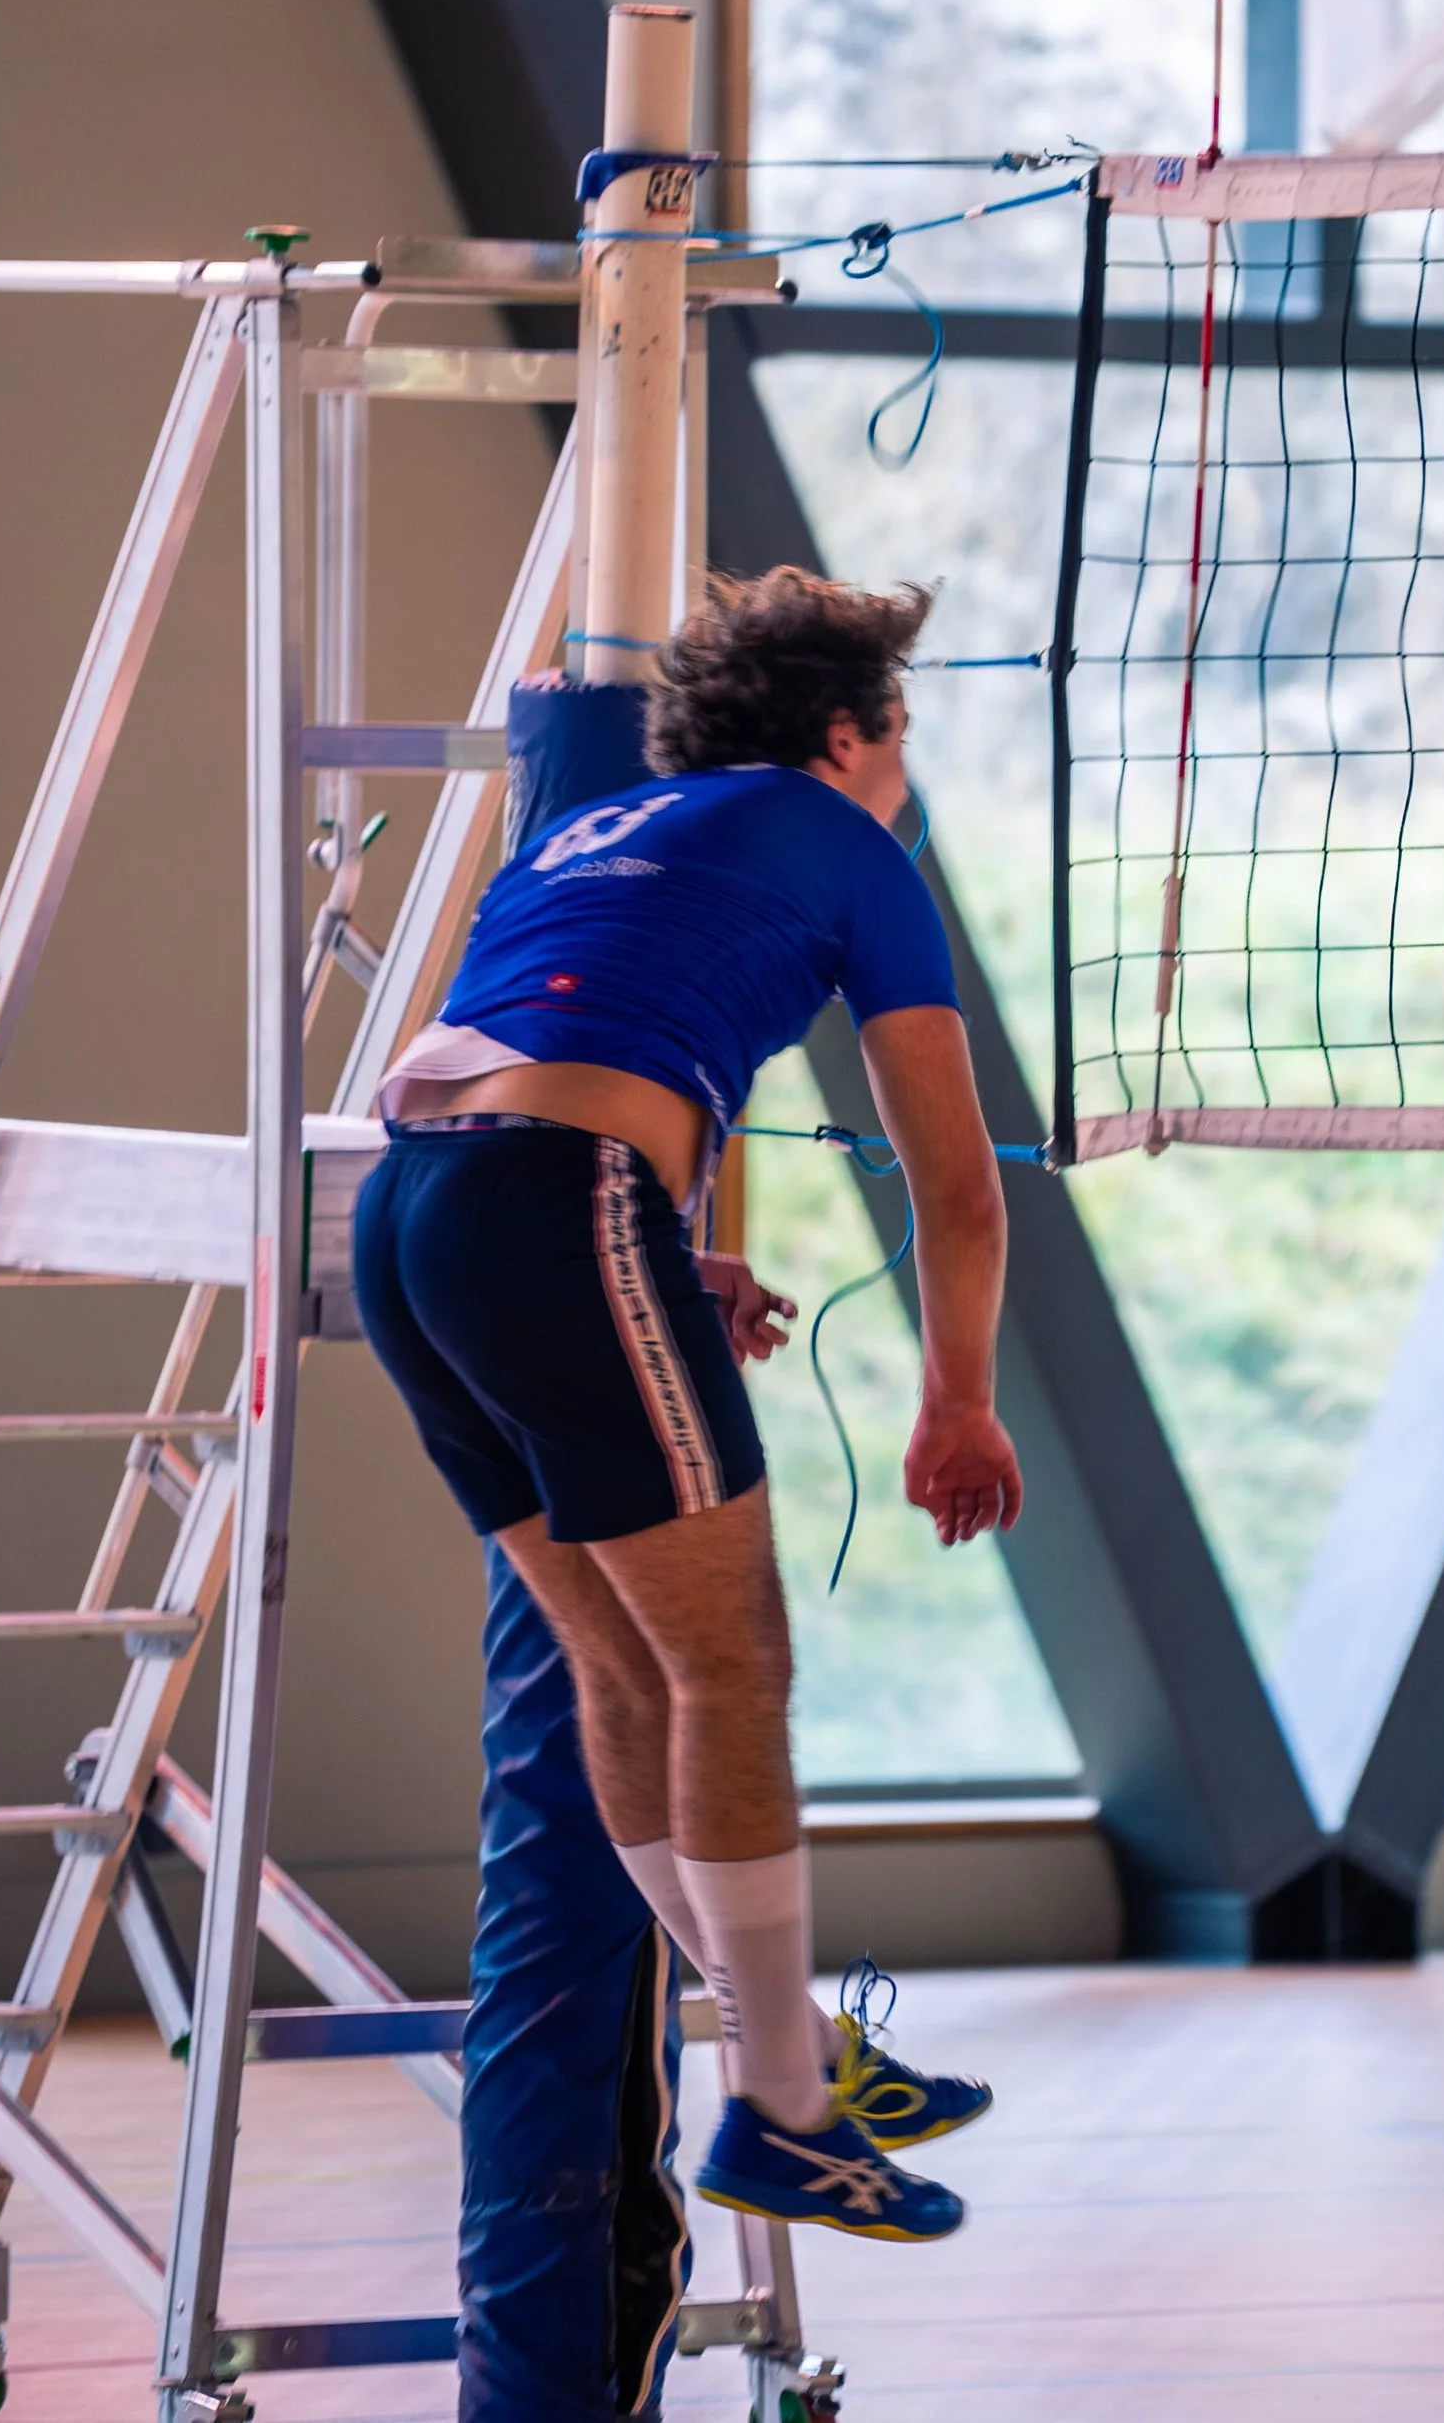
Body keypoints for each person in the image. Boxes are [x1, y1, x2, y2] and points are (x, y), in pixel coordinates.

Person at [353, 567, 1023, 2244]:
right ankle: (787, 2113)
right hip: (556, 1210)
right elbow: (958, 1189)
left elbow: (573, 1038)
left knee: (623, 1660)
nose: (906, 768)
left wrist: (660, 1253)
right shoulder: (852, 845)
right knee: (730, 1665)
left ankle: (785, 2055)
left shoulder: (600, 834)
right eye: (905, 733)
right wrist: (960, 1407)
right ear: (853, 734)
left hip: (410, 1217)